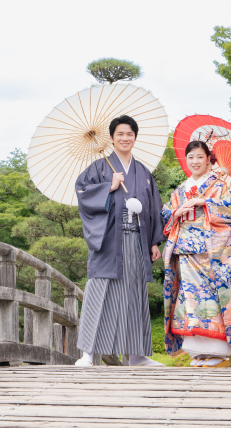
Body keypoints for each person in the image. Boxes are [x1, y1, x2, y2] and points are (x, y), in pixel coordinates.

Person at [74, 115, 165, 367]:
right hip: (109, 239)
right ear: (112, 138)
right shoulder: (99, 168)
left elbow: (154, 207)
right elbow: (82, 192)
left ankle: (136, 355)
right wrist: (109, 187)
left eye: (130, 134)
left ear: (135, 138)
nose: (125, 138)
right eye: (120, 134)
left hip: (136, 238)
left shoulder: (143, 172)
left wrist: (153, 242)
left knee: (134, 293)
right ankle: (89, 354)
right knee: (99, 290)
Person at [161, 141, 231, 367]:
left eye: (200, 157)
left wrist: (205, 201)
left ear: (208, 158)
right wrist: (176, 212)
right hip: (186, 253)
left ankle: (218, 353)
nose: (195, 162)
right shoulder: (180, 190)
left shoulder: (219, 185)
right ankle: (198, 353)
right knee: (190, 300)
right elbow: (166, 215)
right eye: (190, 157)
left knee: (214, 298)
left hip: (212, 254)